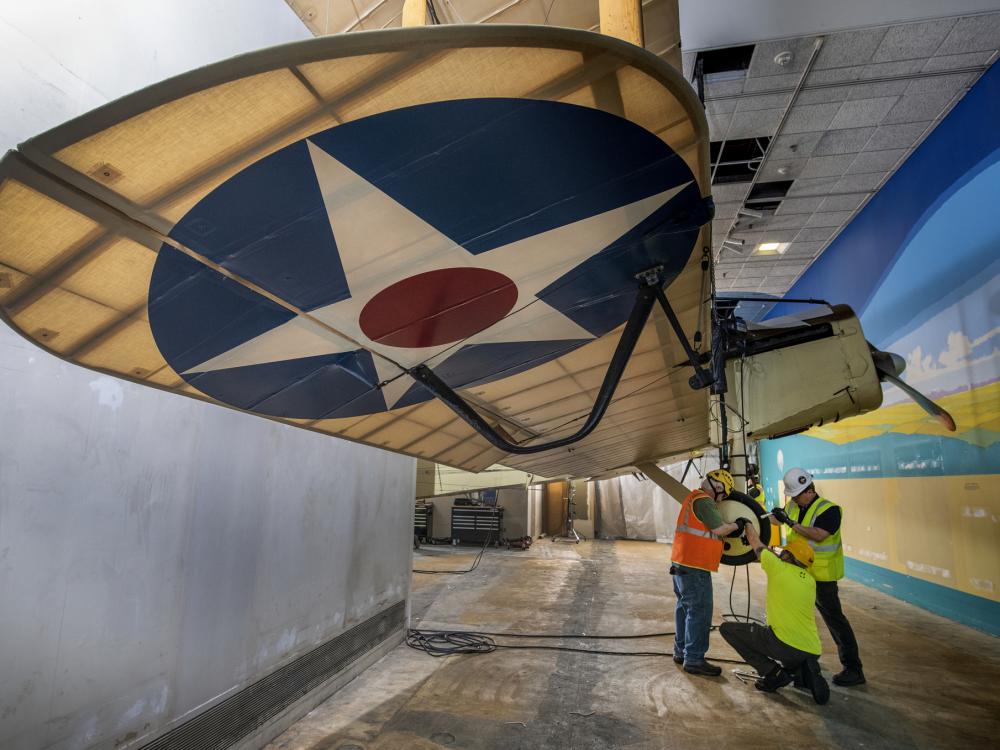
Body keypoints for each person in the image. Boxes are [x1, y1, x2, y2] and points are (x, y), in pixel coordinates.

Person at [771, 467, 865, 686]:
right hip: (796, 574)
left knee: (835, 622)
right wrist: (777, 517)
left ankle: (853, 668)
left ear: (809, 491)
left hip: (821, 578)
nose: (793, 499)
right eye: (791, 496)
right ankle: (801, 664)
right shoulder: (794, 505)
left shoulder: (830, 510)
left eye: (796, 495)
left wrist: (790, 523)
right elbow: (781, 521)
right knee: (795, 621)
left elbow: (819, 535)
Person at [719, 524, 830, 704]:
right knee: (795, 664)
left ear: (788, 556)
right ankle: (805, 671)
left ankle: (773, 673)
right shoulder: (810, 581)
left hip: (783, 645)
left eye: (783, 552)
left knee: (728, 629)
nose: (780, 554)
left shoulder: (778, 568)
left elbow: (757, 544)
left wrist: (746, 523)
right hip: (812, 649)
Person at [670, 468, 748, 676]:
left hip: (681, 563)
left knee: (685, 609)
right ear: (718, 487)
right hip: (695, 568)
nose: (722, 499)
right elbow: (720, 530)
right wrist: (738, 525)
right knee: (700, 612)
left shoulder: (693, 498)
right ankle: (694, 659)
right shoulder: (704, 501)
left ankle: (681, 651)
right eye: (723, 494)